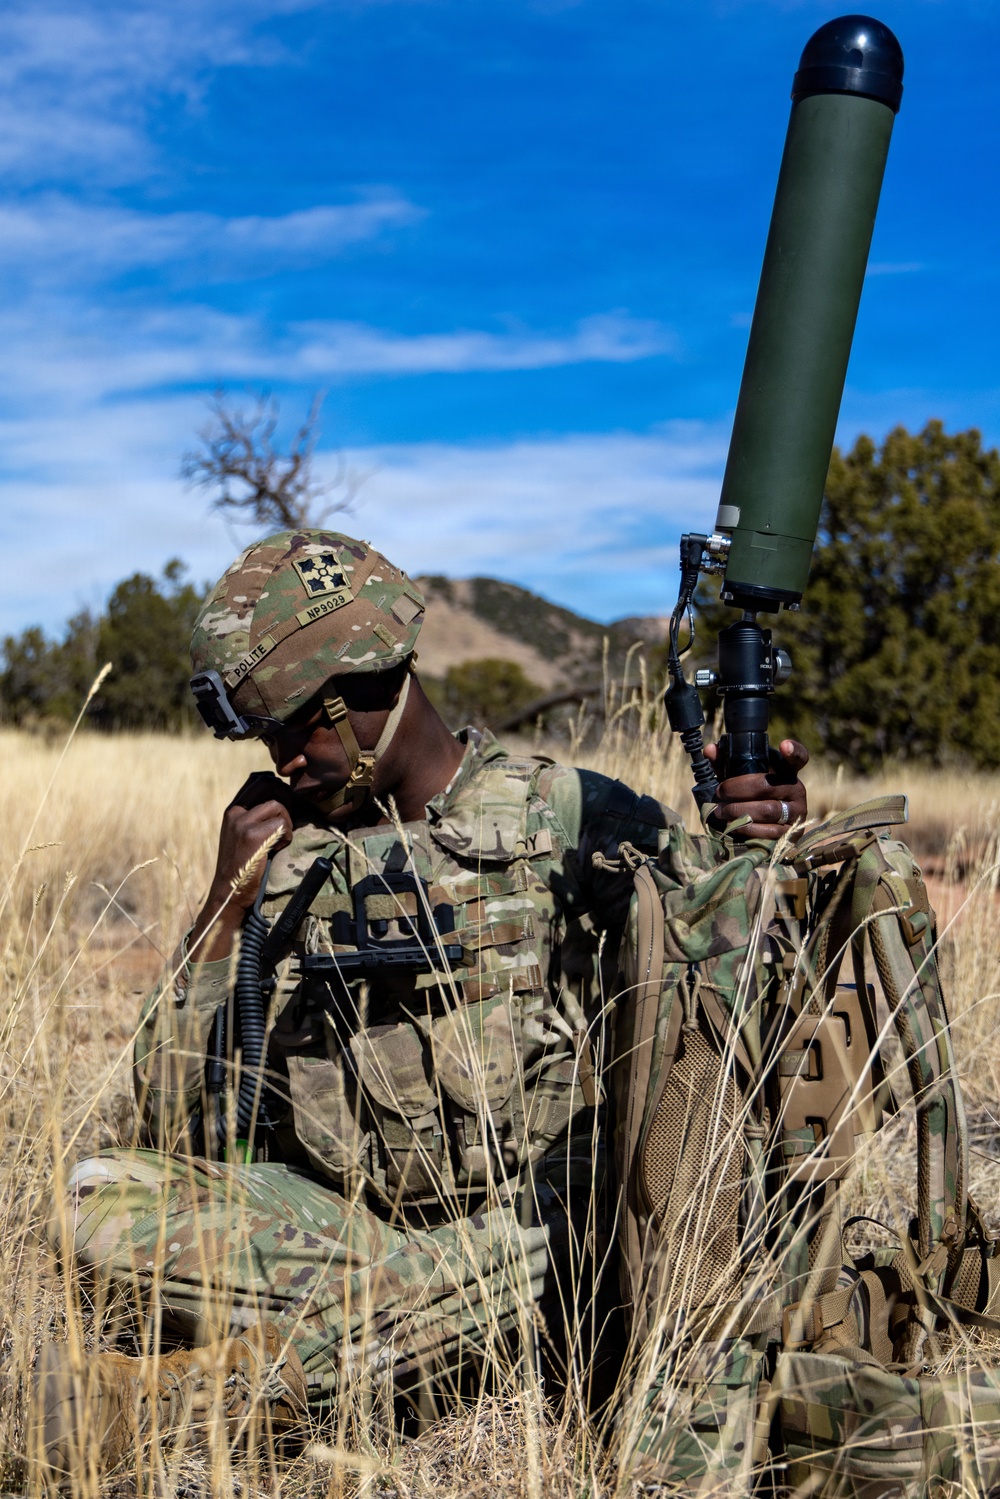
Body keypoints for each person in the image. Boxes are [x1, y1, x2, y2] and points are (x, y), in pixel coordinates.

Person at [37, 529, 808, 1473]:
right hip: (356, 1227)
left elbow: (735, 1003)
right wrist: (225, 906)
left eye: (295, 728)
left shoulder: (569, 817)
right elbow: (175, 1119)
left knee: (601, 1217)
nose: (282, 760)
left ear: (365, 695)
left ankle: (238, 1388)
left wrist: (763, 855)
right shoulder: (291, 858)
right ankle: (447, 1335)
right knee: (99, 1200)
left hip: (548, 1221)